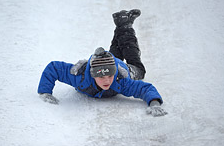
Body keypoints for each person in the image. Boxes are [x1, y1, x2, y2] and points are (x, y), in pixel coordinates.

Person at [37, 9, 168, 117]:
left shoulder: (120, 81)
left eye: (110, 76)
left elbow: (145, 88)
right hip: (109, 62)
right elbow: (53, 68)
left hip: (121, 67)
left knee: (139, 69)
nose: (107, 81)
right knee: (116, 52)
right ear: (93, 74)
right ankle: (123, 25)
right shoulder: (79, 77)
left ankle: (125, 25)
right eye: (101, 76)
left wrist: (154, 103)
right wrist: (45, 92)